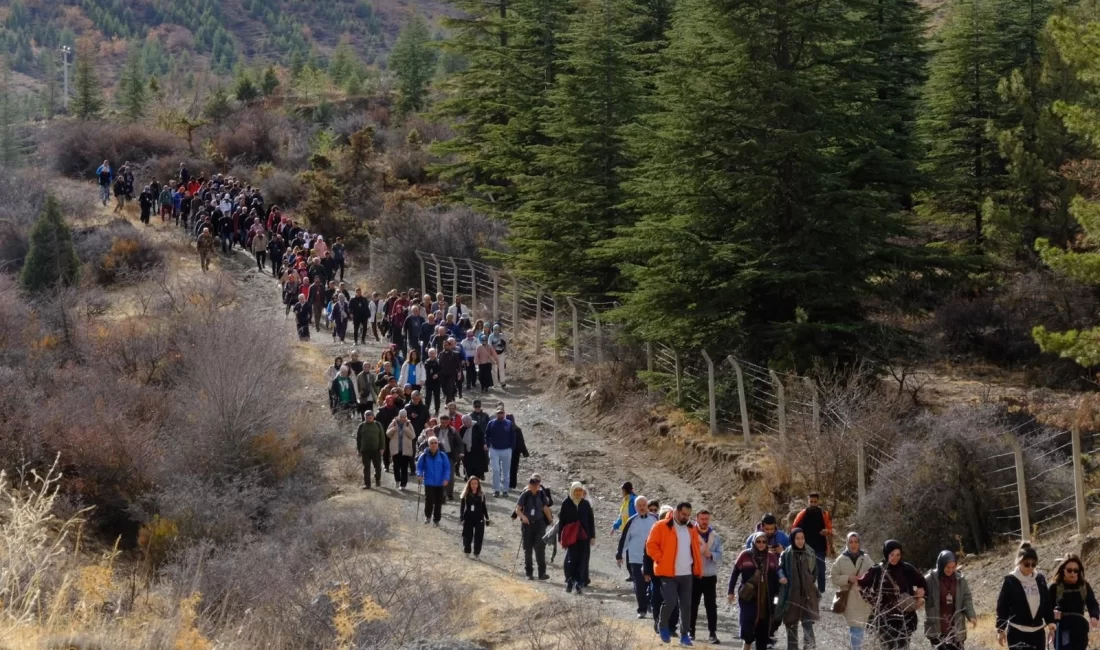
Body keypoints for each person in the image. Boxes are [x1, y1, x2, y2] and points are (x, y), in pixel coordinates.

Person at [646, 501, 704, 646]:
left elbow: (695, 548)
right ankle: (663, 624)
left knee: (686, 605)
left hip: (686, 573)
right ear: (676, 512)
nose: (686, 517)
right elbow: (651, 545)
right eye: (684, 514)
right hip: (668, 573)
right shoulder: (661, 526)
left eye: (688, 515)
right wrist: (661, 559)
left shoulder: (691, 529)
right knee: (670, 601)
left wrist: (697, 568)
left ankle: (685, 634)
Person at [858, 540, 928, 650]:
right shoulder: (877, 570)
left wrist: (920, 597)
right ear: (886, 554)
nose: (895, 558)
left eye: (898, 555)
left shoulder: (907, 569)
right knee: (887, 647)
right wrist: (874, 601)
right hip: (885, 618)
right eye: (892, 555)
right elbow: (861, 585)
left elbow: (922, 583)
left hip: (905, 618)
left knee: (903, 646)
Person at [995, 542, 1054, 650]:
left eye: (1034, 564)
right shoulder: (1010, 580)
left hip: (1038, 632)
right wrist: (1001, 629)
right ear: (1019, 562)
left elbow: (1046, 603)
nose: (1030, 567)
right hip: (1018, 632)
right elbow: (1002, 606)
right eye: (1027, 564)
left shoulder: (1040, 579)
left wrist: (1050, 623)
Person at [729, 531, 781, 650]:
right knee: (747, 629)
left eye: (764, 541)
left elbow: (776, 579)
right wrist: (730, 591)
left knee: (762, 633)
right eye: (758, 541)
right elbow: (735, 572)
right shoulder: (745, 555)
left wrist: (777, 599)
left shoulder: (771, 558)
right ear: (754, 542)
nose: (761, 544)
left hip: (766, 600)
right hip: (748, 598)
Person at [776, 528, 819, 650]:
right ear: (792, 539)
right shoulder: (786, 554)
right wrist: (782, 577)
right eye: (797, 538)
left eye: (802, 538)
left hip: (807, 596)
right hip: (791, 595)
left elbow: (815, 571)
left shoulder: (810, 552)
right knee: (791, 625)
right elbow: (779, 569)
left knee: (808, 625)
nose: (800, 541)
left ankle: (809, 648)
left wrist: (809, 581)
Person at [923, 550, 976, 650]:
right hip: (937, 628)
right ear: (940, 565)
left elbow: (966, 598)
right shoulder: (930, 579)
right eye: (947, 567)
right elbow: (919, 592)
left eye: (953, 567)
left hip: (956, 627)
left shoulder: (960, 579)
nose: (950, 570)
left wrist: (971, 615)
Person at [831, 532, 873, 650]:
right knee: (855, 628)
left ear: (859, 543)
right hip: (849, 600)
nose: (853, 544)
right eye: (851, 542)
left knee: (859, 629)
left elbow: (875, 575)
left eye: (856, 541)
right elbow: (834, 578)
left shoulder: (866, 558)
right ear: (847, 543)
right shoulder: (840, 560)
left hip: (863, 600)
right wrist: (847, 579)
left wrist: (865, 580)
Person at [1050, 553, 1099, 650]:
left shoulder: (1084, 586)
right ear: (1063, 570)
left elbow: (1092, 603)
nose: (1072, 573)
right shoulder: (1055, 587)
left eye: (1076, 570)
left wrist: (1094, 616)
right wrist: (1053, 614)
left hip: (1080, 629)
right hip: (1062, 628)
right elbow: (1046, 607)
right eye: (1069, 570)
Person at [617, 496, 656, 618]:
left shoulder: (655, 520)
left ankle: (651, 603)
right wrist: (619, 555)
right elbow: (624, 539)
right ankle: (642, 610)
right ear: (635, 507)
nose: (642, 507)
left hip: (652, 558)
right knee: (639, 585)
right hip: (636, 558)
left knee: (654, 584)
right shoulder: (631, 521)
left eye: (644, 504)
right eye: (639, 505)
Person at [689, 510, 722, 645]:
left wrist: (711, 555)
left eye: (706, 519)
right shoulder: (690, 533)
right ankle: (691, 632)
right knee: (692, 605)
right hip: (694, 575)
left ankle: (712, 633)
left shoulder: (714, 536)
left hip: (709, 575)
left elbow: (720, 554)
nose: (704, 521)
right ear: (696, 519)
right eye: (702, 519)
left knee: (711, 606)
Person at [558, 482, 596, 595]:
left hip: (584, 536)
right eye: (576, 491)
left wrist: (592, 536)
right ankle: (570, 581)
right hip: (571, 537)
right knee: (572, 559)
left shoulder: (585, 504)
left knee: (582, 559)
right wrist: (561, 538)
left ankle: (578, 582)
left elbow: (591, 521)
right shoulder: (566, 503)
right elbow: (562, 522)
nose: (579, 493)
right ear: (572, 491)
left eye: (580, 490)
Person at [790, 492, 832, 594]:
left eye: (815, 502)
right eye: (811, 501)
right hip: (805, 548)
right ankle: (807, 591)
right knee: (807, 571)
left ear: (818, 502)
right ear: (808, 502)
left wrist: (827, 532)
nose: (813, 503)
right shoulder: (802, 514)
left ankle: (821, 591)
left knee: (821, 570)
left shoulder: (824, 514)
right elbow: (794, 529)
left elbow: (830, 530)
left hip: (820, 547)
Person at [516, 476, 553, 581]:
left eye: (537, 485)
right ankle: (529, 573)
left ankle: (542, 573)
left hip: (539, 524)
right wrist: (523, 517)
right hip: (527, 525)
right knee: (527, 549)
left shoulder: (541, 494)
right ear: (530, 485)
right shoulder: (525, 495)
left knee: (540, 547)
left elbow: (545, 508)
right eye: (534, 485)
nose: (536, 487)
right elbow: (518, 510)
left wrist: (550, 520)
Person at [416, 436, 451, 526]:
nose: (434, 444)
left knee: (438, 502)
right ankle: (428, 516)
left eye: (435, 443)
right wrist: (419, 474)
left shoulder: (443, 456)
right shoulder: (424, 456)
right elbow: (419, 467)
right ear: (428, 444)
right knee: (429, 500)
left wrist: (446, 478)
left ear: (438, 444)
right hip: (429, 481)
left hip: (440, 482)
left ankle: (436, 520)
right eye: (431, 443)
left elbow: (447, 468)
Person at [484, 405, 515, 497]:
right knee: (496, 470)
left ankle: (505, 490)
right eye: (498, 413)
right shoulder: (491, 423)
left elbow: (513, 436)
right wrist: (488, 445)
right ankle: (496, 489)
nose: (500, 414)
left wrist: (511, 447)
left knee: (506, 471)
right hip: (494, 450)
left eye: (502, 412)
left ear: (504, 413)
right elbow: (487, 435)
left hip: (506, 450)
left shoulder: (509, 423)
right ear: (496, 413)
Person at [459, 476, 490, 558]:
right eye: (472, 483)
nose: (474, 485)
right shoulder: (465, 494)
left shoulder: (482, 494)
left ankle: (477, 552)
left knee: (479, 536)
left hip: (479, 517)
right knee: (467, 535)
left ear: (478, 484)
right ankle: (467, 551)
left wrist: (487, 518)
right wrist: (461, 517)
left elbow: (484, 507)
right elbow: (462, 507)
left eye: (476, 483)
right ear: (469, 484)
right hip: (468, 517)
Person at [386, 411, 417, 491]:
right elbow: (388, 434)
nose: (403, 418)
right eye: (401, 416)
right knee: (396, 466)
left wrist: (406, 430)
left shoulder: (408, 424)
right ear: (398, 415)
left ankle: (403, 484)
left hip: (405, 449)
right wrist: (393, 429)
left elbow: (413, 436)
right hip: (396, 449)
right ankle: (397, 480)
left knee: (404, 467)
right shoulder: (393, 423)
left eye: (404, 416)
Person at [356, 410, 385, 489]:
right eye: (367, 417)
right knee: (366, 468)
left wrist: (382, 448)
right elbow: (358, 439)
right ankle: (367, 484)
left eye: (370, 417)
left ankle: (377, 480)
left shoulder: (378, 425)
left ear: (373, 417)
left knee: (378, 467)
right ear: (364, 417)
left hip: (376, 450)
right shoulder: (361, 426)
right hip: (365, 450)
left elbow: (382, 437)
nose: (368, 419)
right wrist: (358, 450)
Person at [507, 414, 528, 490]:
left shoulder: (516, 429)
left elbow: (521, 441)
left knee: (510, 468)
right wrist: (524, 452)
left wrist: (524, 452)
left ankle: (510, 484)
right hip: (513, 452)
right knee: (512, 469)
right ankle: (511, 484)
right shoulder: (516, 429)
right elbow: (521, 441)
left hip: (512, 452)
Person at [440, 338, 464, 405]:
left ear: (449, 346)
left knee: (449, 388)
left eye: (447, 345)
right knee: (444, 389)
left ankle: (448, 402)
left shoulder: (454, 354)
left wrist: (459, 372)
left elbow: (458, 365)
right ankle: (452, 395)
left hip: (452, 374)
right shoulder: (441, 354)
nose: (445, 346)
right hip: (443, 375)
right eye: (444, 345)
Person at [423, 348, 442, 416]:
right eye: (430, 353)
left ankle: (437, 410)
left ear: (435, 354)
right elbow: (424, 372)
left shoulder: (438, 361)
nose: (432, 355)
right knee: (428, 397)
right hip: (428, 382)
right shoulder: (426, 362)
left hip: (436, 382)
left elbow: (441, 371)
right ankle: (426, 410)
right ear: (428, 354)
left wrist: (437, 374)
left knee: (437, 397)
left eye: (433, 353)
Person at [489, 323, 508, 388]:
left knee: (501, 368)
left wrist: (506, 351)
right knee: (494, 369)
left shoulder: (502, 336)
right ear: (493, 330)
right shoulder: (491, 336)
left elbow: (506, 344)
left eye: (497, 329)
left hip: (501, 353)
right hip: (494, 354)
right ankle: (495, 383)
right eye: (495, 329)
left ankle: (502, 381)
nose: (496, 331)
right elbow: (489, 345)